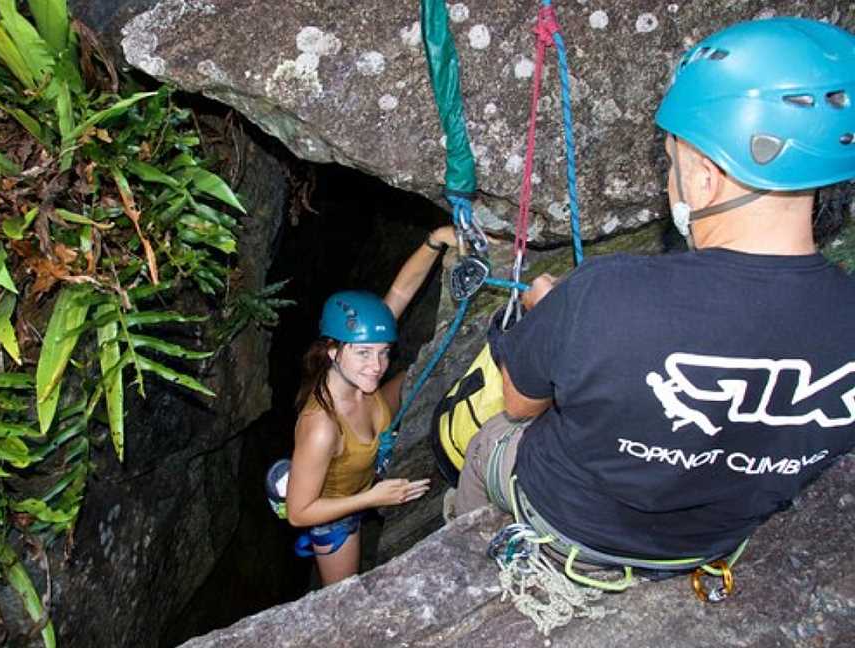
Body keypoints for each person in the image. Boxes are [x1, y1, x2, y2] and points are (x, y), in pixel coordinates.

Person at [454, 17, 855, 581]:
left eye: (672, 162)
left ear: (707, 178)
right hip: (705, 542)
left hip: (571, 523)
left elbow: (520, 405)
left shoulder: (605, 295)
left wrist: (554, 323)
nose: (670, 179)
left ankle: (476, 563)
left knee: (485, 441)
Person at [287, 225, 456, 585]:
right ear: (333, 351)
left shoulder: (362, 374)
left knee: (425, 371)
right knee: (342, 595)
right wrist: (370, 498)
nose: (376, 366)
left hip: (371, 438)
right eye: (364, 353)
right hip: (335, 511)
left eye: (383, 353)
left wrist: (435, 241)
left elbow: (400, 290)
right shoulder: (321, 426)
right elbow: (299, 512)